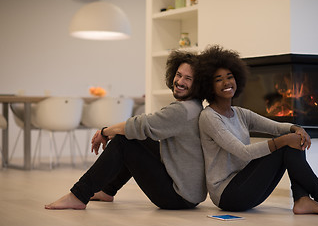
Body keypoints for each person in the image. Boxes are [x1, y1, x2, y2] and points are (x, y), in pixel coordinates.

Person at [196, 45, 318, 215]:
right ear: (208, 85)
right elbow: (243, 152)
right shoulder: (209, 117)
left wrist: (297, 128)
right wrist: (285, 140)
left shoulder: (239, 113)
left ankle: (302, 199)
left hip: (246, 184)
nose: (226, 82)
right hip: (228, 195)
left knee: (291, 137)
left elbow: (273, 126)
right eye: (218, 79)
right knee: (286, 142)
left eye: (229, 77)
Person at [45, 50, 207, 210]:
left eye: (188, 78)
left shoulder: (181, 111)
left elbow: (139, 125)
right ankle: (107, 191)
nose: (179, 81)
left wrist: (104, 132)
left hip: (177, 196)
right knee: (135, 137)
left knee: (125, 140)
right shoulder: (195, 106)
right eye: (178, 75)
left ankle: (78, 196)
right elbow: (140, 128)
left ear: (197, 84)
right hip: (189, 194)